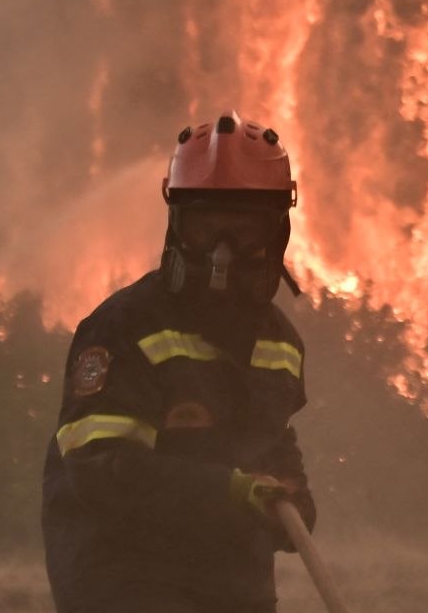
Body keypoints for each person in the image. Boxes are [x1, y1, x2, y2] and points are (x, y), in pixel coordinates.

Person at [41, 110, 317, 613]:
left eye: (244, 229)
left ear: (277, 230)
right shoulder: (123, 328)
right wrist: (229, 491)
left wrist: (291, 493)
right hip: (126, 578)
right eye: (206, 226)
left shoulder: (280, 342)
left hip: (233, 584)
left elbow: (271, 440)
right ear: (177, 223)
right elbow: (101, 468)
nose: (222, 251)